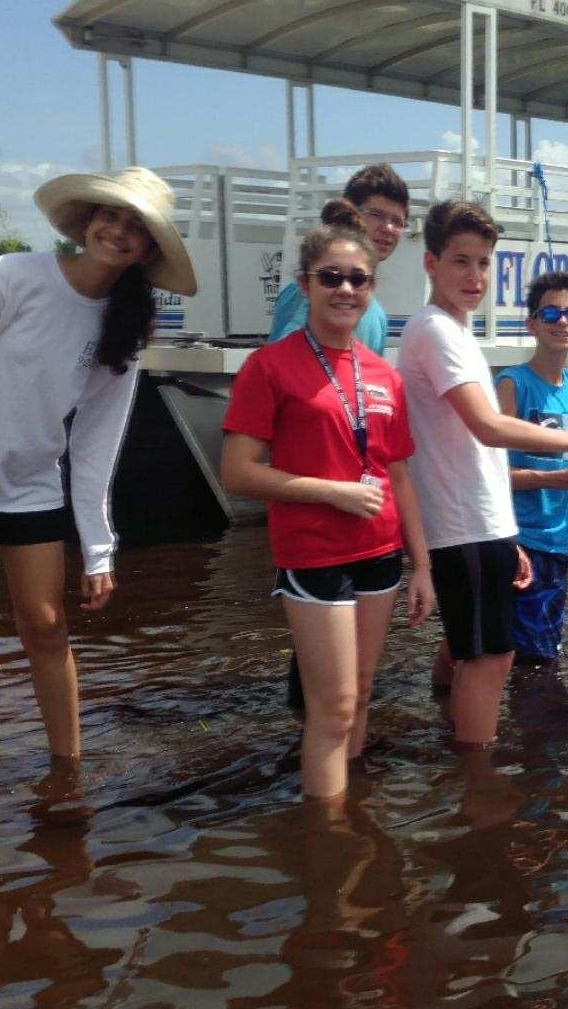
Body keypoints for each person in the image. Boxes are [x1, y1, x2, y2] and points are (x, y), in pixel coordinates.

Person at [0, 166, 195, 789]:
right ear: (86, 220)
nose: (119, 232)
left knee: (48, 626)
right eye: (112, 216)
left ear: (149, 251)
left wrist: (99, 548)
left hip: (27, 479)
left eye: (137, 228)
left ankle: (67, 775)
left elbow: (98, 438)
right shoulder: (12, 277)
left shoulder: (127, 326)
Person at [221, 200, 435, 799]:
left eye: (357, 279)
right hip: (313, 553)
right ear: (305, 284)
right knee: (334, 708)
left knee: (363, 693)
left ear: (372, 287)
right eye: (331, 277)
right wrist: (333, 493)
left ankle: (351, 809)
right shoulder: (269, 367)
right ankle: (329, 846)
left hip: (380, 551)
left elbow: (399, 475)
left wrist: (423, 565)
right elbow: (237, 472)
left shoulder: (382, 373)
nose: (345, 289)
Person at [396, 199, 568, 751]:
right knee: (492, 658)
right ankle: (479, 784)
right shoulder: (438, 333)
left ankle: (446, 737)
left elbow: (485, 452)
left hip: (487, 524)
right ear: (430, 263)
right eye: (460, 262)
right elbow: (488, 429)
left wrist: (505, 532)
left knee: (473, 649)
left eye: (483, 263)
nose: (474, 277)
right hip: (462, 525)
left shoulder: (457, 333)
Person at [495, 272, 568, 664]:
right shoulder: (512, 385)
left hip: (561, 543)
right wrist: (562, 478)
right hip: (520, 542)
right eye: (549, 314)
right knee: (535, 659)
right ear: (531, 324)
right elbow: (491, 479)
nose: (562, 322)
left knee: (525, 651)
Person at [266, 164, 408, 353]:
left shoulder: (377, 315)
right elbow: (281, 368)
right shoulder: (310, 293)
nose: (388, 228)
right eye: (376, 215)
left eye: (397, 221)